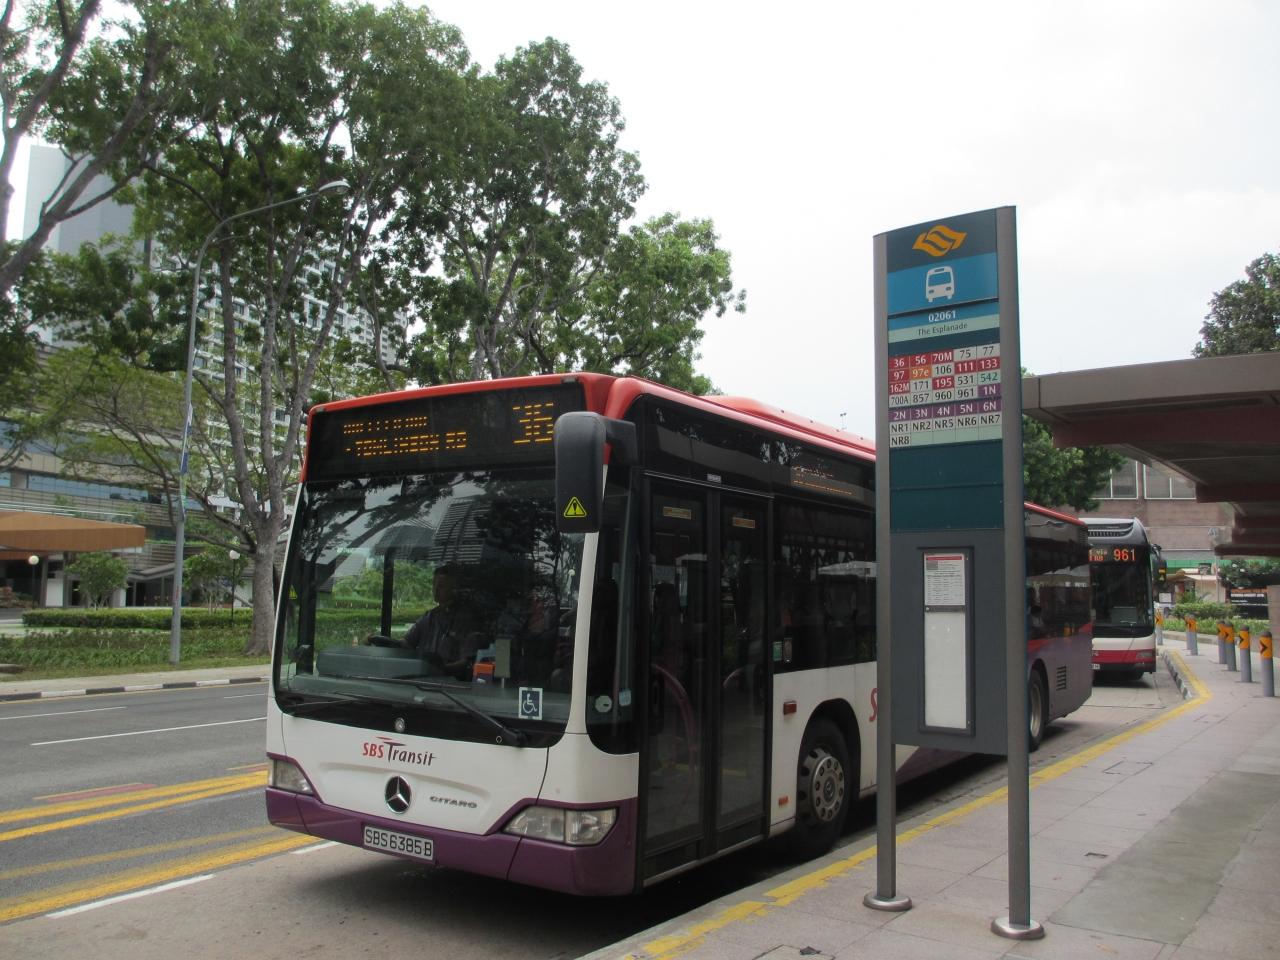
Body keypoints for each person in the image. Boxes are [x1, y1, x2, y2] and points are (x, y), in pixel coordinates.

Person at [404, 565, 481, 679]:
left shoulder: (465, 621)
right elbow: (406, 643)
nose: (435, 590)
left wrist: (441, 669)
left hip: (450, 684)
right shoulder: (429, 617)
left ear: (454, 589)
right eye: (434, 585)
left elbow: (467, 663)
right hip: (421, 681)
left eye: (441, 586)